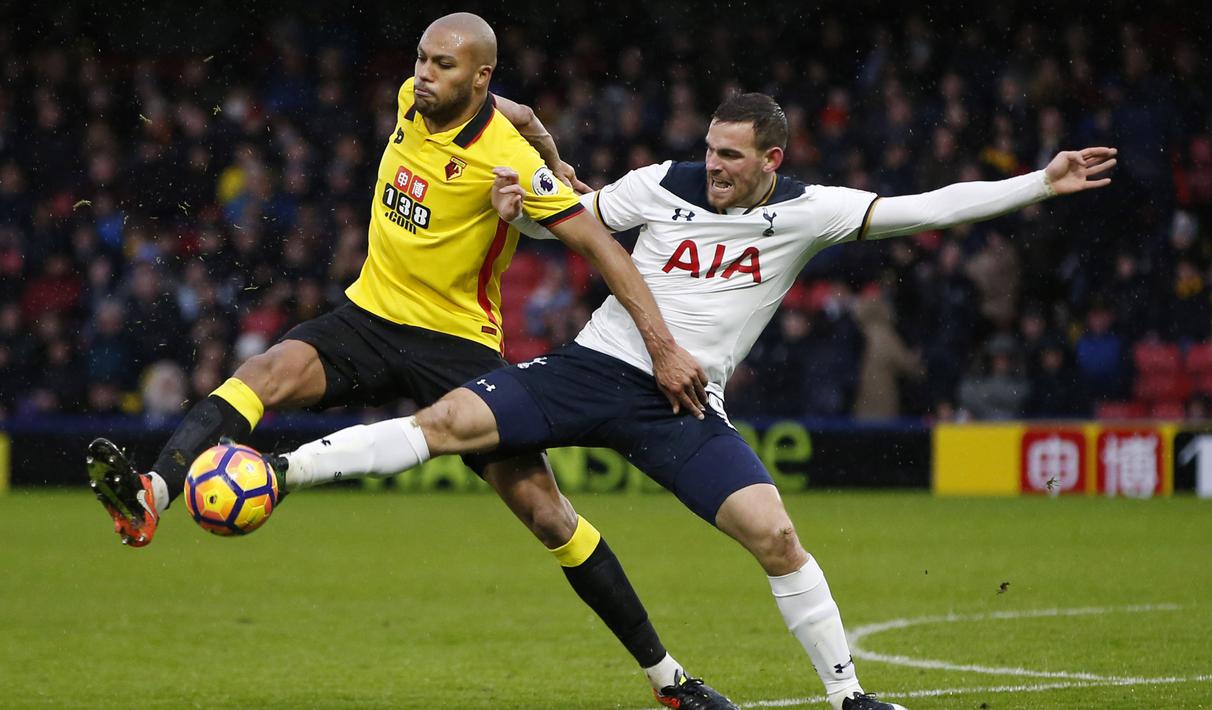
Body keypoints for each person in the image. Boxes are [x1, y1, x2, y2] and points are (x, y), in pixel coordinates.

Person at [275, 93, 1117, 710]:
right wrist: (516, 212)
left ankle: (849, 698)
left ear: (771, 161)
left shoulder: (809, 214)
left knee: (774, 532)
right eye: (709, 150)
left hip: (679, 402)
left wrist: (1039, 182)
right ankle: (278, 471)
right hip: (593, 366)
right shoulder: (659, 184)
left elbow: (924, 210)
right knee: (447, 421)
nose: (712, 166)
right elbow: (566, 221)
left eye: (730, 156)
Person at [86, 13, 734, 709]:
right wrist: (545, 132)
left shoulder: (504, 159)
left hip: (456, 347)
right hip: (367, 316)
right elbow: (515, 106)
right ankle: (154, 493)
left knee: (547, 515)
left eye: (443, 66)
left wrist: (662, 347)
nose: (424, 75)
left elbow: (603, 249)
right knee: (262, 373)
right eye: (421, 59)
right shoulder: (413, 98)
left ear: (479, 75)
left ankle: (668, 681)